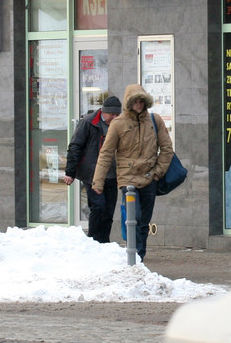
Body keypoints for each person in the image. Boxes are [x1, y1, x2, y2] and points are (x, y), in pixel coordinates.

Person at [91, 84, 173, 260]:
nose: (138, 104)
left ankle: (139, 258)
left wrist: (157, 173)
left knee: (143, 223)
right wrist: (98, 181)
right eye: (135, 101)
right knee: (132, 220)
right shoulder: (118, 124)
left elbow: (167, 149)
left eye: (141, 101)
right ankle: (133, 256)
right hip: (127, 181)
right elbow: (106, 153)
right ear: (129, 103)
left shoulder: (154, 120)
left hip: (150, 178)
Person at [64, 94, 121, 243]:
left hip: (112, 174)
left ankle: (104, 241)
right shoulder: (88, 123)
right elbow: (75, 146)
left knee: (109, 210)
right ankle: (94, 241)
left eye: (117, 115)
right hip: (92, 173)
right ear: (104, 112)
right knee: (98, 206)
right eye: (112, 115)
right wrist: (70, 171)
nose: (114, 118)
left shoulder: (120, 124)